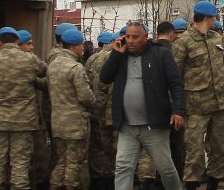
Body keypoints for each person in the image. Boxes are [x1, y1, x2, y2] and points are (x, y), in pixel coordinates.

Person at [99, 22, 185, 190]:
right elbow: (105, 78)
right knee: (123, 167)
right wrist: (116, 54)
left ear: (145, 38)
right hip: (127, 126)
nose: (130, 41)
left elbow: (176, 84)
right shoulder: (120, 56)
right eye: (127, 37)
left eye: (135, 37)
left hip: (154, 125)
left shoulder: (160, 54)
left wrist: (179, 111)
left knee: (166, 168)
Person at [171, 1, 224, 190]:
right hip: (196, 106)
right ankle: (192, 184)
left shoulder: (216, 39)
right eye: (214, 17)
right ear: (207, 18)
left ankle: (213, 183)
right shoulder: (184, 42)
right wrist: (176, 105)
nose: (215, 20)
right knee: (194, 150)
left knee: (221, 147)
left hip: (220, 103)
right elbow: (174, 75)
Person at [0, 26, 47, 190]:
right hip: (23, 121)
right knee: (20, 164)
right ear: (17, 41)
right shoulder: (29, 59)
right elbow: (45, 71)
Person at [49, 29, 94, 190]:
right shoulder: (75, 68)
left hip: (57, 122)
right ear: (74, 46)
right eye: (81, 44)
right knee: (74, 162)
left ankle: (54, 186)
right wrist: (94, 103)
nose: (83, 48)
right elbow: (86, 97)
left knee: (62, 159)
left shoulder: (52, 65)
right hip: (75, 123)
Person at [151, 22, 186, 183]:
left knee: (157, 146)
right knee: (176, 146)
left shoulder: (148, 52)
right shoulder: (176, 50)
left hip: (154, 107)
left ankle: (158, 180)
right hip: (174, 107)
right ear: (172, 35)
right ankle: (176, 181)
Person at [86, 31, 117, 190]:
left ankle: (98, 178)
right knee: (112, 148)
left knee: (98, 148)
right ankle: (108, 180)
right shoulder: (110, 58)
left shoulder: (91, 59)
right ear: (111, 42)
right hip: (107, 111)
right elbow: (102, 88)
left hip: (95, 111)